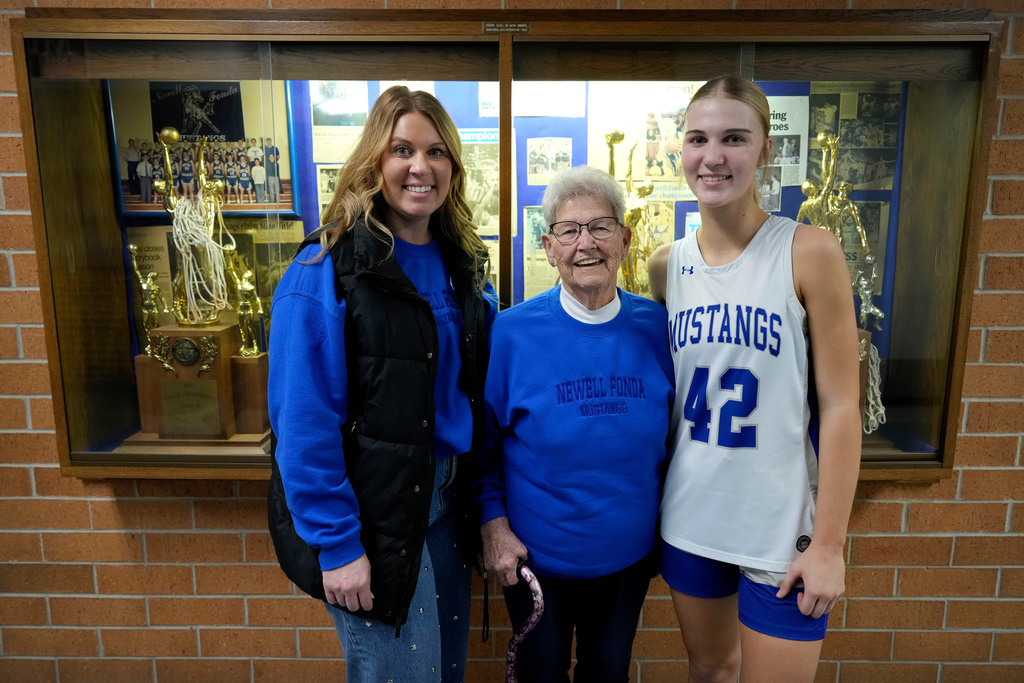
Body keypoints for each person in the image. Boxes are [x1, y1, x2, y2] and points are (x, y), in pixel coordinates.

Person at [268, 85, 497, 683]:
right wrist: (337, 543)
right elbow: (302, 421)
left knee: (444, 672)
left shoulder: (462, 265)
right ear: (375, 160)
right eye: (403, 149)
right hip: (373, 516)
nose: (421, 167)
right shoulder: (325, 268)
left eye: (437, 151)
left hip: (447, 508)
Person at [648, 75, 861, 682]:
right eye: (698, 138)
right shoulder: (668, 266)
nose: (713, 156)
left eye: (734, 138)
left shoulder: (809, 251)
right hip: (691, 517)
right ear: (681, 149)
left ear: (765, 150)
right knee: (711, 671)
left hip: (779, 526)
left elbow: (842, 406)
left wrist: (830, 544)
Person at [477, 165, 674, 683]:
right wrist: (493, 527)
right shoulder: (512, 334)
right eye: (569, 230)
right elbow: (483, 447)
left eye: (601, 227)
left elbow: (677, 443)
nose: (585, 243)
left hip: (628, 563)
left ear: (625, 239)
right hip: (536, 565)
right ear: (549, 246)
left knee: (607, 675)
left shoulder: (659, 330)